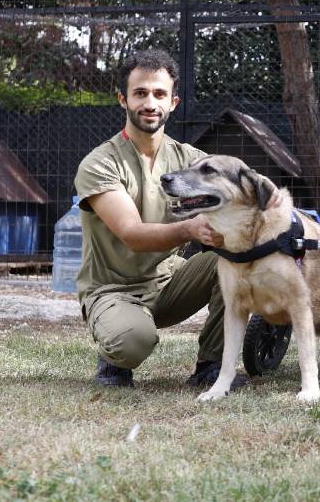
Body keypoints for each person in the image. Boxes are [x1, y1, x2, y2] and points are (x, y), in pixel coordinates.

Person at [74, 49, 241, 390]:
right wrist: (192, 228)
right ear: (123, 99)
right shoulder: (100, 163)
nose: (150, 102)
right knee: (133, 340)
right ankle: (114, 356)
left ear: (173, 102)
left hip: (169, 284)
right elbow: (132, 234)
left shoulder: (190, 160)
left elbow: (240, 190)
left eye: (159, 94)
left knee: (235, 262)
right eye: (140, 93)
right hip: (113, 290)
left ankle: (211, 367)